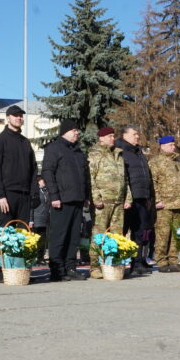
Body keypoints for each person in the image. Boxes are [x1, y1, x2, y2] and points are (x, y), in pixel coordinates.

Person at [0, 104, 36, 281]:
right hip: (6, 195)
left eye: (21, 116)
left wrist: (33, 193)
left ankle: (19, 270)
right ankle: (0, 270)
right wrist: (0, 195)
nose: (19, 118)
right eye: (16, 115)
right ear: (8, 118)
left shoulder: (25, 142)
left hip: (24, 195)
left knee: (22, 234)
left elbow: (33, 169)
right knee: (4, 233)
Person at [41, 120, 91, 282]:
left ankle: (70, 267)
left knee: (74, 236)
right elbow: (48, 172)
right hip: (62, 200)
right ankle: (57, 270)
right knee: (59, 236)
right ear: (66, 131)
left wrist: (86, 196)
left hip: (77, 199)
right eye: (75, 130)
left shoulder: (78, 151)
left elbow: (85, 176)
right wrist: (54, 196)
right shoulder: (54, 148)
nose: (77, 133)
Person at [87, 126, 131, 279]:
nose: (113, 138)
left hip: (118, 201)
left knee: (116, 234)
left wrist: (128, 197)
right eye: (110, 136)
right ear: (101, 138)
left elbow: (124, 179)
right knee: (99, 235)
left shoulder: (118, 155)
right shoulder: (95, 154)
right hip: (103, 202)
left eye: (113, 136)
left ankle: (113, 263)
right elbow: (91, 177)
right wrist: (96, 198)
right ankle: (95, 267)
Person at [117, 126, 153, 273]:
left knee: (139, 232)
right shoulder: (120, 151)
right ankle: (117, 264)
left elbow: (146, 176)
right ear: (124, 135)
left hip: (142, 197)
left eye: (138, 134)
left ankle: (137, 263)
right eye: (134, 134)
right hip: (128, 199)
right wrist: (126, 197)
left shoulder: (139, 152)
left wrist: (148, 197)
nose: (137, 136)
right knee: (122, 231)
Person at [149, 136, 180, 273]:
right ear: (162, 146)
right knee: (163, 234)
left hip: (179, 203)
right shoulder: (156, 162)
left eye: (173, 144)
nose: (173, 147)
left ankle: (173, 260)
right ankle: (162, 261)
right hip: (164, 204)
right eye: (170, 145)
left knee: (176, 234)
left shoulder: (178, 163)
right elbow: (153, 182)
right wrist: (157, 200)